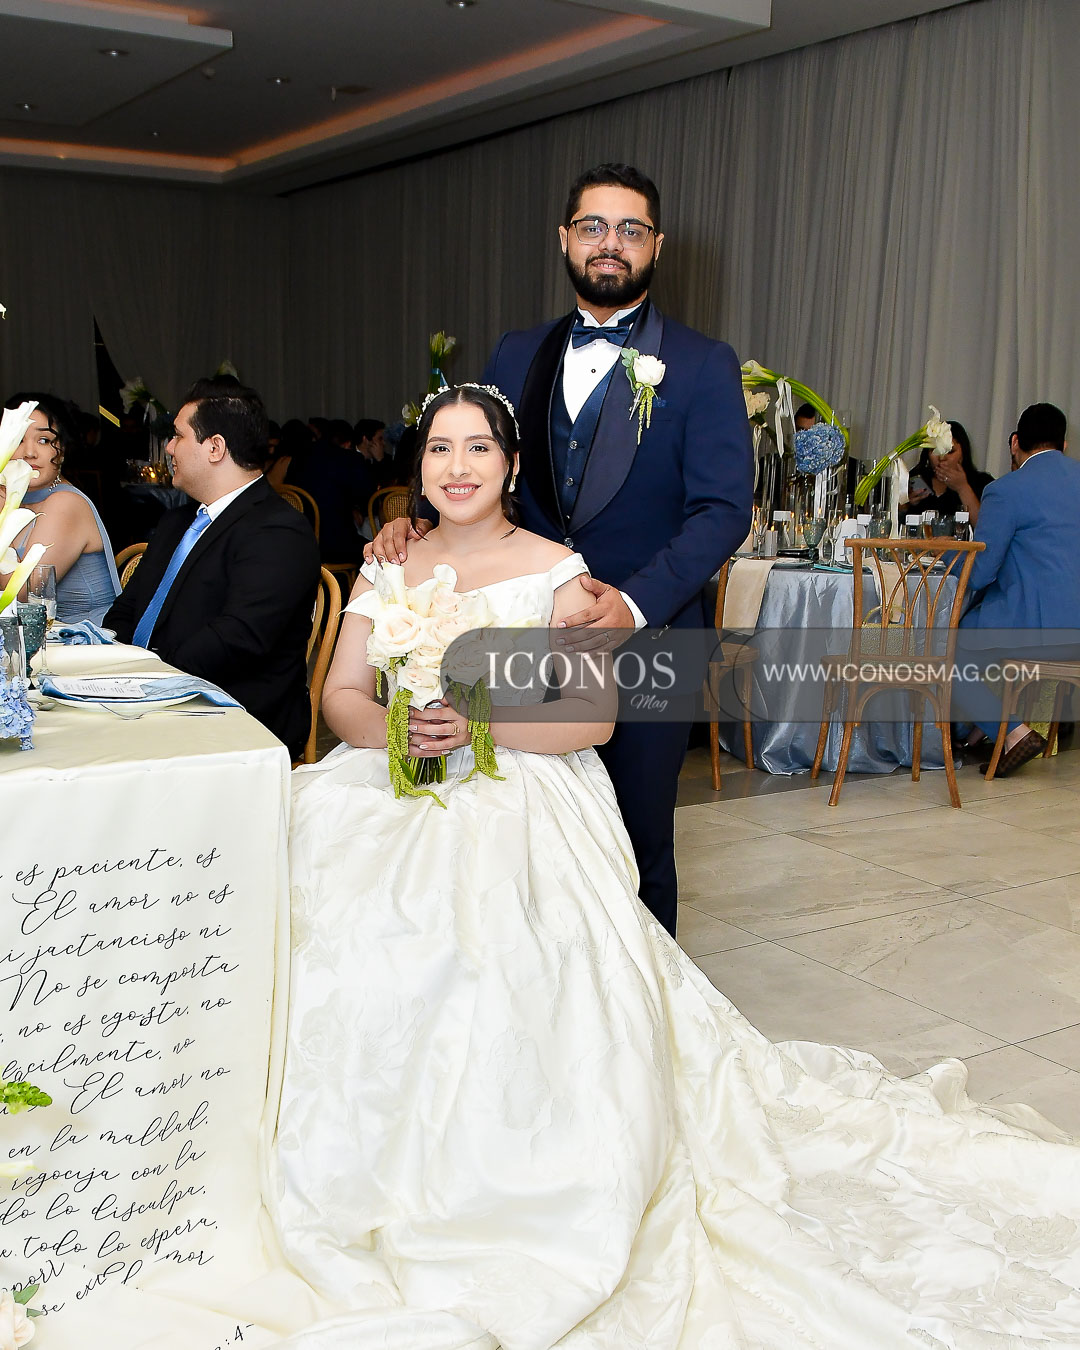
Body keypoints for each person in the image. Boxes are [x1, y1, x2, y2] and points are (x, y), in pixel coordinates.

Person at [275, 383, 1080, 1350]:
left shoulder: (560, 574)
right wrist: (400, 729)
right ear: (419, 465)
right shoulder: (388, 564)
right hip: (392, 776)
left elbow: (592, 716)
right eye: (439, 448)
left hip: (520, 783)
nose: (457, 467)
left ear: (513, 465)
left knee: (486, 926)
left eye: (478, 448)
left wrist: (479, 722)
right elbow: (343, 693)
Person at [368, 163, 753, 935]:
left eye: (630, 229)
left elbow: (723, 511)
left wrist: (633, 604)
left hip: (652, 640)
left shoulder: (703, 363)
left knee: (638, 842)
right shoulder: (516, 352)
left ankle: (642, 998)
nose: (611, 243)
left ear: (656, 246)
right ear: (565, 239)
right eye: (593, 227)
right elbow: (478, 462)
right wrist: (418, 520)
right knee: (526, 836)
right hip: (523, 627)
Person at [105, 378, 320, 758]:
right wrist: (116, 670)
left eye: (178, 436)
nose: (169, 447)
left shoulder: (277, 529)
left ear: (215, 447)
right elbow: (128, 608)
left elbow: (238, 637)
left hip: (232, 715)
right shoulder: (176, 521)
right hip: (154, 699)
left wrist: (148, 679)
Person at [954, 402, 1080, 775]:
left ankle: (1013, 732)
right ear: (1064, 445)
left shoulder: (1005, 490)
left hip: (1035, 625)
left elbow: (980, 574)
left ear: (1015, 443)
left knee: (944, 650)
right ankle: (979, 730)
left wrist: (944, 557)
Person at [3, 392, 121, 624]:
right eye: (18, 440)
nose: (29, 452)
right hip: (36, 637)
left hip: (83, 638)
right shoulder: (17, 502)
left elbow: (20, 595)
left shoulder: (65, 503)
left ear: (63, 450)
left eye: (44, 440)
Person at [904, 420, 993, 522]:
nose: (942, 458)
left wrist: (963, 488)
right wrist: (907, 504)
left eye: (950, 451)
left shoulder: (982, 482)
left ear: (963, 453)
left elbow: (986, 525)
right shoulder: (914, 478)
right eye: (935, 451)